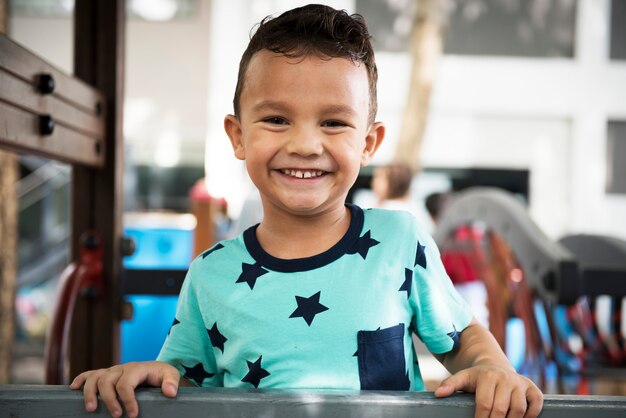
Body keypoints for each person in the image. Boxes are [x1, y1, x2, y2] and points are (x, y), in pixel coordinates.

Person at [70, 5, 543, 418]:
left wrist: (494, 371)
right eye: (276, 119)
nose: (304, 144)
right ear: (238, 136)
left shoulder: (400, 241)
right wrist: (148, 376)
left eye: (334, 122)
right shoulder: (210, 275)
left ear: (368, 143)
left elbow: (461, 339)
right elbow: (182, 385)